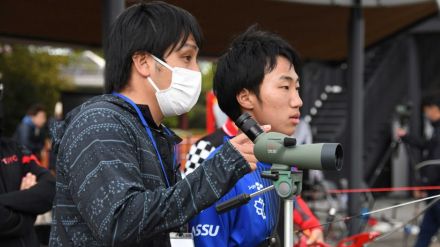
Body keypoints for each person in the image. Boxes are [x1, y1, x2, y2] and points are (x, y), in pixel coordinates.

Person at [49, 2, 261, 246]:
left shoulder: (149, 129)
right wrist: (221, 168)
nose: (195, 70)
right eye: (186, 57)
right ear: (143, 62)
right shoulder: (98, 124)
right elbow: (121, 221)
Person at [188, 26, 324, 247]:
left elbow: (290, 203)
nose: (297, 101)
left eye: (297, 88)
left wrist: (310, 225)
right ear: (245, 97)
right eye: (285, 87)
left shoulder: (278, 152)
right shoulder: (210, 154)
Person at [0, 85, 56, 247]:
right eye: (42, 117)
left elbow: (50, 187)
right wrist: (27, 201)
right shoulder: (25, 129)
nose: (44, 120)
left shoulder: (12, 148)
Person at [397, 91, 440, 247]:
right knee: (427, 229)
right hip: (433, 190)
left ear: (434, 108)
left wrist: (424, 183)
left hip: (437, 189)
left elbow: (435, 162)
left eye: (427, 111)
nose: (427, 115)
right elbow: (426, 146)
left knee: (427, 229)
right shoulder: (436, 131)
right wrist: (406, 136)